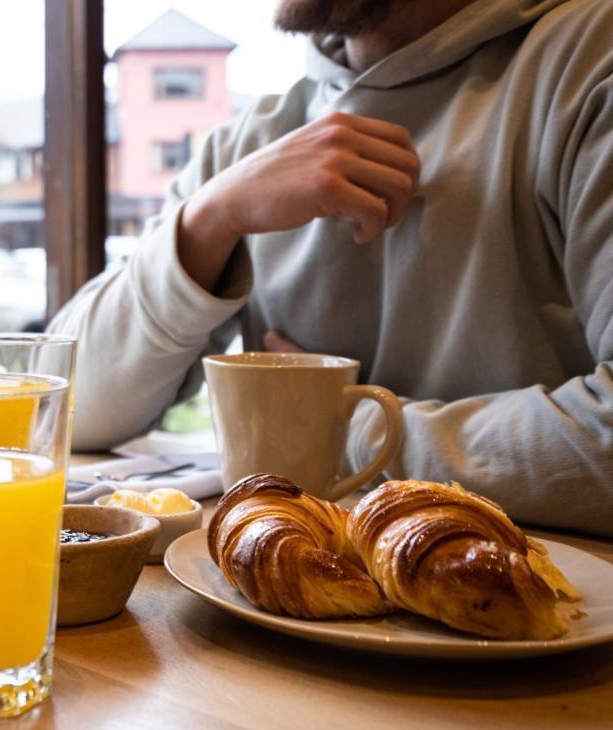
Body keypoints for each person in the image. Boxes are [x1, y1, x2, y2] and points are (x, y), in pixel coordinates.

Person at [48, 0, 613, 535]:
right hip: (266, 618)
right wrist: (206, 222)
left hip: (551, 614)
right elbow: (65, 407)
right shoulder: (255, 141)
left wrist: (332, 428)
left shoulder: (590, 59)